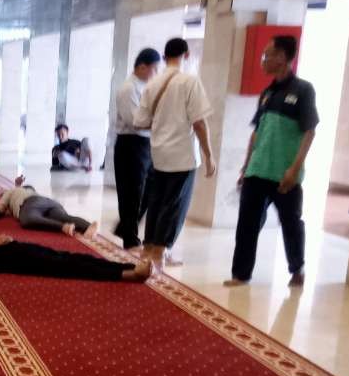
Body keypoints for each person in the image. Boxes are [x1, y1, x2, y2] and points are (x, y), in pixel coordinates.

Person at [225, 35, 318, 288]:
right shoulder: (267, 92)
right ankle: (240, 274)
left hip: (284, 174)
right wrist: (246, 166)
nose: (263, 60)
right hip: (258, 170)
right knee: (247, 224)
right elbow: (257, 131)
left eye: (267, 55)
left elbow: (310, 131)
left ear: (282, 57)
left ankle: (297, 269)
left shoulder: (303, 90)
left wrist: (294, 169)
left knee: (290, 223)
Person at [134, 37, 216, 268]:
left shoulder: (152, 83)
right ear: (186, 54)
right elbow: (199, 122)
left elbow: (139, 121)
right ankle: (161, 252)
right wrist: (209, 154)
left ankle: (148, 247)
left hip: (159, 152)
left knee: (157, 201)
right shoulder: (189, 82)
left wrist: (162, 125)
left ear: (163, 55)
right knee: (175, 204)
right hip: (183, 154)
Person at [0, 215, 152, 283]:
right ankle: (128, 275)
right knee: (70, 267)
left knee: (72, 257)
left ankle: (129, 267)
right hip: (20, 262)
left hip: (20, 250)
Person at [114, 47, 162, 249]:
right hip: (131, 144)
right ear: (142, 67)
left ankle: (124, 228)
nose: (157, 74)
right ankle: (130, 238)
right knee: (132, 193)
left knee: (149, 190)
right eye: (155, 69)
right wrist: (160, 123)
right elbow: (134, 121)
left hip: (146, 144)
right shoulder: (128, 89)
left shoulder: (147, 87)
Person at [0, 175, 99, 237]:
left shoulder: (9, 193)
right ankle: (87, 227)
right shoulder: (25, 190)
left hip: (31, 204)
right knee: (62, 216)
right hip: (49, 202)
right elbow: (19, 189)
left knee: (27, 219)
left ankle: (62, 227)